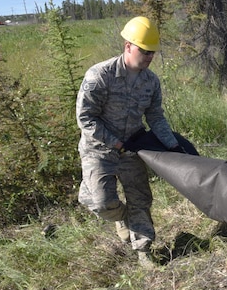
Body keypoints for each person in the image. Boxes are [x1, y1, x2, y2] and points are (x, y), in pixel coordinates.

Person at [76, 16, 185, 266]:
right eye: (143, 51)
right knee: (102, 203)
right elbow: (86, 118)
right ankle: (119, 216)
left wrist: (172, 145)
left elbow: (155, 117)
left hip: (133, 148)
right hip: (99, 150)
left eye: (152, 53)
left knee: (140, 199)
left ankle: (144, 251)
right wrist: (115, 143)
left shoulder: (151, 81)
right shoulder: (100, 76)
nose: (148, 57)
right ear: (128, 46)